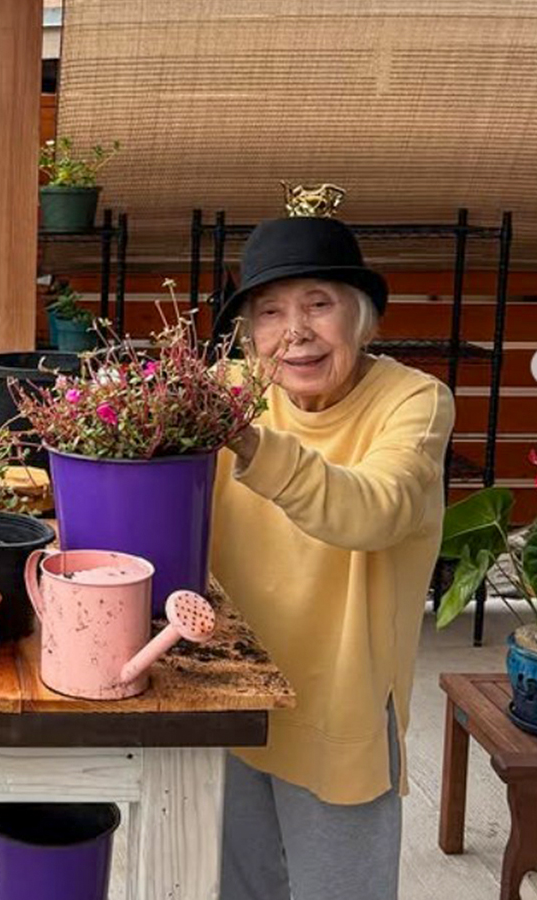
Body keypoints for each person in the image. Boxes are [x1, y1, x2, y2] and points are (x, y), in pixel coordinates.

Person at [210, 215, 455, 900]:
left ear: (362, 317)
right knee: (235, 888)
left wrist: (250, 443)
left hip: (340, 709)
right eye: (271, 313)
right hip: (226, 695)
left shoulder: (412, 402)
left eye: (319, 304)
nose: (296, 332)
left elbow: (374, 509)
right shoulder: (229, 389)